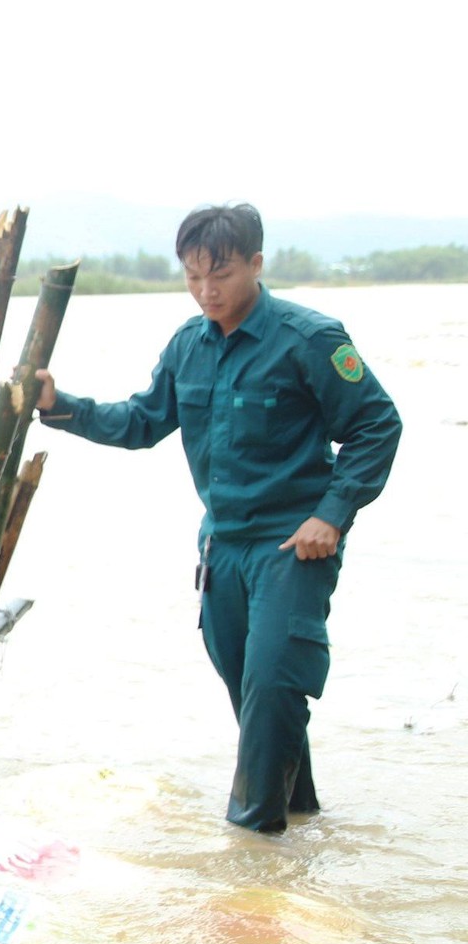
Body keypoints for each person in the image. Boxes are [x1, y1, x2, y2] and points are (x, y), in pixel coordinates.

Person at [36, 203, 400, 834]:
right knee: (255, 695)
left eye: (222, 275)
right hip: (222, 550)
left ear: (256, 265)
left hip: (292, 547)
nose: (207, 291)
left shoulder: (309, 339)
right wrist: (59, 406)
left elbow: (377, 424)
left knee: (271, 686)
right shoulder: (187, 345)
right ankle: (302, 818)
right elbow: (142, 421)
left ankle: (248, 855)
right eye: (193, 277)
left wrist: (332, 515)